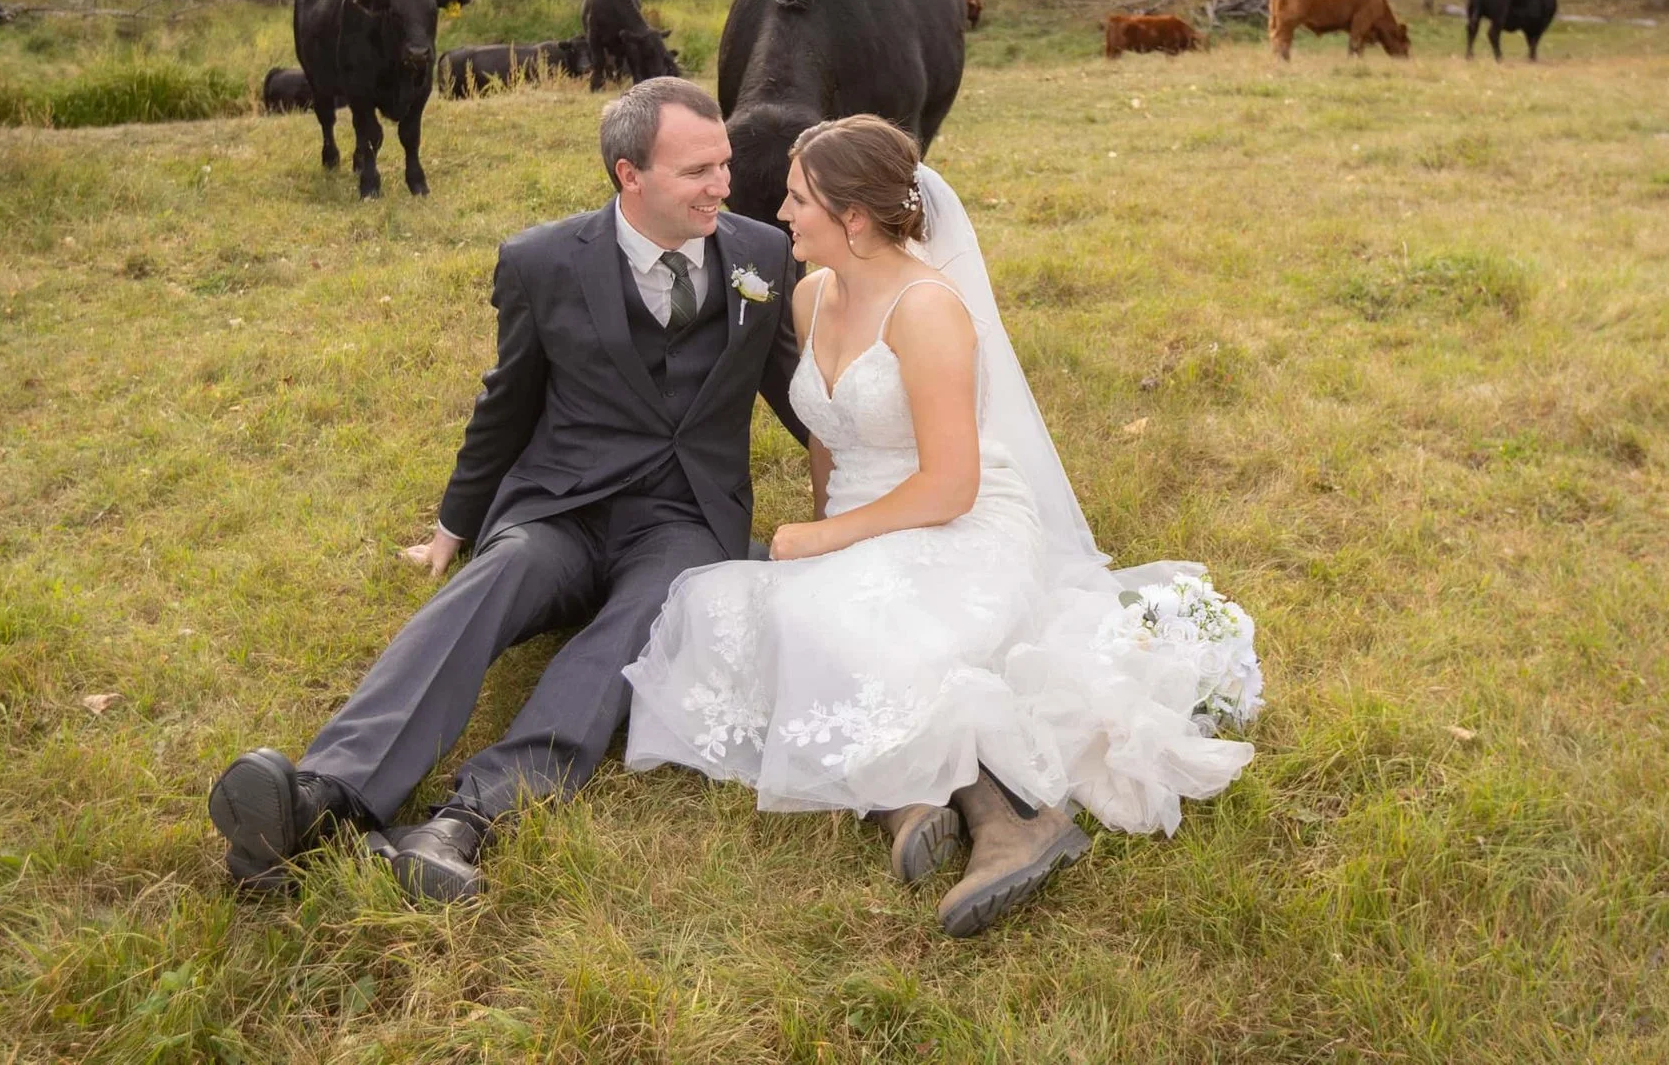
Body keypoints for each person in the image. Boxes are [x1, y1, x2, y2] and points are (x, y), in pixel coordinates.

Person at [623, 115, 1261, 937]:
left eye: (796, 198)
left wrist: (826, 545)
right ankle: (909, 796)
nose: (780, 213)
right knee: (731, 609)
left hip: (959, 518)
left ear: (852, 216)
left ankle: (1012, 823)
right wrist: (827, 532)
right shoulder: (812, 296)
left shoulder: (928, 309)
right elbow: (827, 433)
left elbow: (951, 483)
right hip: (867, 520)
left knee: (865, 629)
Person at [208, 78, 808, 900]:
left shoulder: (761, 255)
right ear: (629, 174)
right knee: (499, 574)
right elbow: (508, 399)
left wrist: (883, 490)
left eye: (725, 164)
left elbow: (795, 392)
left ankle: (466, 820)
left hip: (684, 515)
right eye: (697, 170)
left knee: (640, 621)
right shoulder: (542, 261)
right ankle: (322, 795)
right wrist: (456, 524)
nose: (724, 185)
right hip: (562, 504)